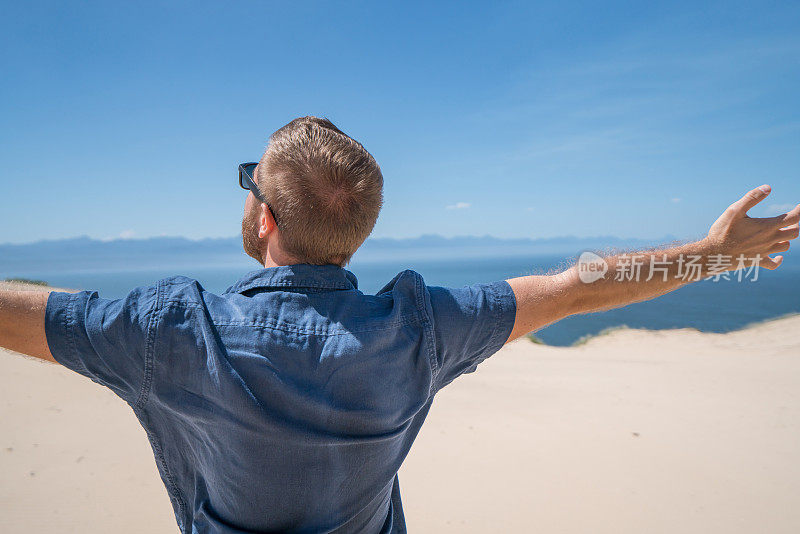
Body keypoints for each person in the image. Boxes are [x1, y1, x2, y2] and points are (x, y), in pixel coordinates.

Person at [1, 116, 797, 533]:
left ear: (266, 218)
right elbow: (577, 288)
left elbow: (15, 316)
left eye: (252, 183)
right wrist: (711, 256)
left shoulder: (168, 332)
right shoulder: (421, 330)